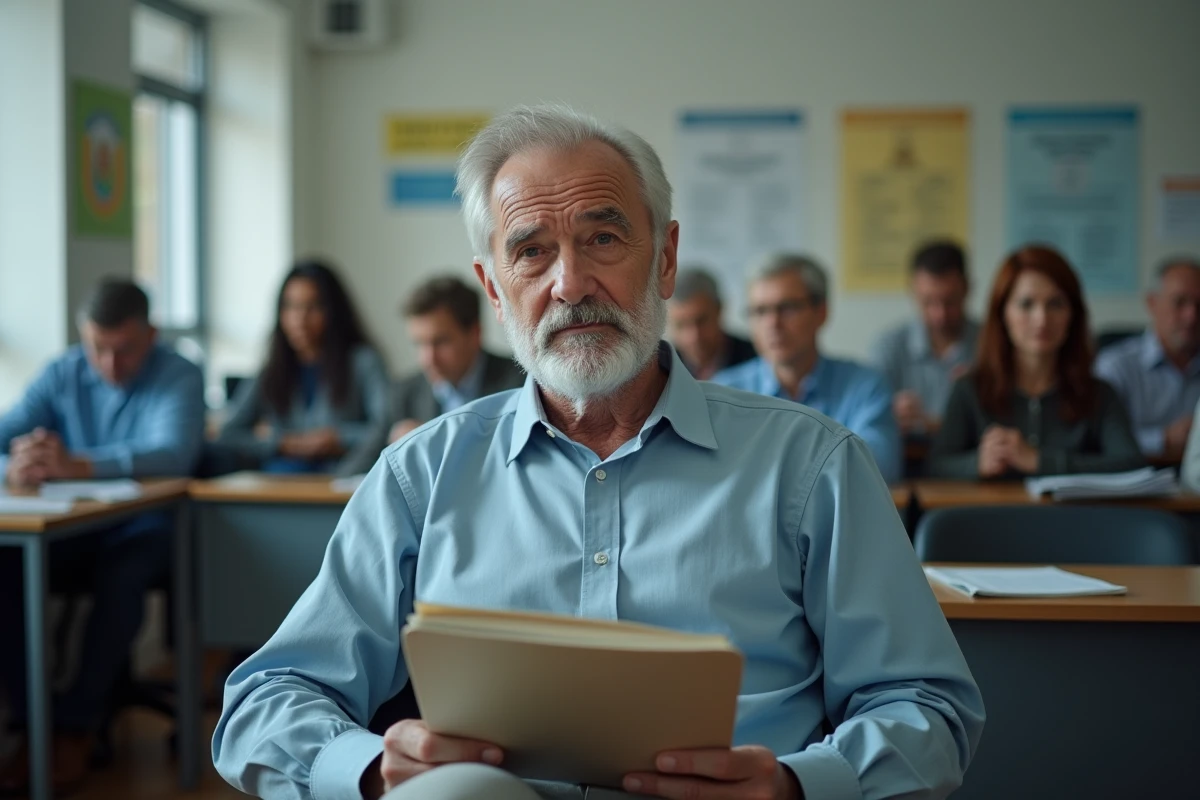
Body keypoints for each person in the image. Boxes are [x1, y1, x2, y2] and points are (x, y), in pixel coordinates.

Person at [213, 104, 983, 800]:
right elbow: (265, 701)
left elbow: (928, 707)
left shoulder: (811, 466)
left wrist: (794, 785)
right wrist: (374, 767)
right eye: (531, 251)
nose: (570, 282)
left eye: (603, 238)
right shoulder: (422, 476)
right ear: (492, 286)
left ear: (666, 259)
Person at [0, 279, 205, 793]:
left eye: (125, 350)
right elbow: (6, 436)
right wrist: (18, 465)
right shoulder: (62, 371)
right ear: (82, 336)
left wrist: (78, 465)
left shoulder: (179, 372)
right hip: (74, 529)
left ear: (152, 333)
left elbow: (173, 453)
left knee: (125, 570)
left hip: (150, 526)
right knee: (8, 565)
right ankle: (35, 725)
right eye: (97, 349)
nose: (110, 366)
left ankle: (75, 727)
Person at [928, 245, 1144, 479]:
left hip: (1075, 516)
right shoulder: (969, 389)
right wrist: (976, 464)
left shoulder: (1099, 394)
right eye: (1026, 304)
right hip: (994, 516)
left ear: (1073, 315)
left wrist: (1040, 461)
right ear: (1003, 314)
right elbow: (935, 468)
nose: (1041, 319)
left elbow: (1132, 465)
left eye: (1055, 304)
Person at [710, 255, 901, 483]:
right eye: (760, 311)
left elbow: (877, 465)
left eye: (787, 308)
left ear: (821, 312)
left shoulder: (864, 386)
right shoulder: (722, 390)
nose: (773, 324)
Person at [217, 259, 390, 477]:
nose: (300, 319)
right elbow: (228, 434)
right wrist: (281, 443)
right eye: (290, 306)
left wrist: (340, 438)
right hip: (283, 482)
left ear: (334, 311)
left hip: (345, 478)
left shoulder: (363, 362)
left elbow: (386, 429)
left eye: (314, 307)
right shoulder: (272, 369)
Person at [387, 275, 524, 442]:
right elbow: (365, 459)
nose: (428, 359)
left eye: (441, 342)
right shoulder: (404, 394)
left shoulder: (520, 384)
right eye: (419, 344)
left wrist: (432, 443)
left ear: (475, 334)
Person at [1094, 257, 1200, 459]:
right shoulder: (1115, 367)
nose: (1191, 316)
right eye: (1180, 302)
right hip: (1134, 484)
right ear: (1152, 303)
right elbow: (1094, 442)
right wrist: (1162, 440)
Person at [870, 240, 979, 436]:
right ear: (912, 291)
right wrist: (888, 413)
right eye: (928, 302)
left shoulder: (991, 344)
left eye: (950, 301)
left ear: (967, 289)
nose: (940, 315)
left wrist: (928, 425)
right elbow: (871, 424)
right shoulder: (889, 347)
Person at [666, 267, 756, 379]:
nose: (694, 337)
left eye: (701, 321)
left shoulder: (759, 359)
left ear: (719, 310)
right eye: (681, 325)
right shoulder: (657, 372)